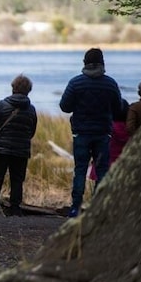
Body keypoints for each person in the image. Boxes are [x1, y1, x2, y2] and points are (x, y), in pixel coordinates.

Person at [59, 48, 123, 217]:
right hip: (103, 133)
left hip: (81, 133)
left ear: (84, 63)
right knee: (102, 170)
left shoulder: (76, 83)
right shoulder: (110, 84)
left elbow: (64, 106)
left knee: (80, 170)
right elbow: (118, 109)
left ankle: (75, 207)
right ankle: (99, 207)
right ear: (102, 63)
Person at [0, 75, 38, 216]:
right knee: (17, 180)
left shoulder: (2, 105)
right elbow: (32, 131)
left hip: (2, 149)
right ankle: (15, 209)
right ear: (28, 90)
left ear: (13, 88)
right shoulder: (31, 109)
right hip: (22, 150)